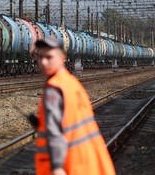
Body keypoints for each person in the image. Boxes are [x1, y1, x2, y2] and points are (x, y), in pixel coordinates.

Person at [31, 37, 115, 175]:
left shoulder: (54, 89)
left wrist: (57, 168)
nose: (43, 62)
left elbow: (55, 134)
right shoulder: (71, 82)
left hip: (70, 165)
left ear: (62, 57)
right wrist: (41, 124)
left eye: (49, 57)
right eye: (40, 57)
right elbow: (71, 120)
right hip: (90, 160)